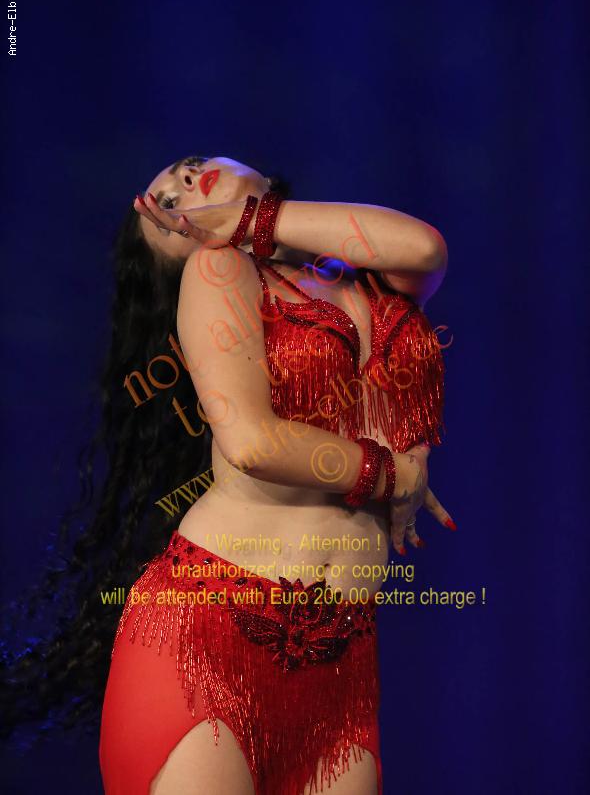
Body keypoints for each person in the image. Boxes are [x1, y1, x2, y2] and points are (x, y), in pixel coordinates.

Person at [97, 154, 454, 795]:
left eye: (189, 168)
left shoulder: (365, 272)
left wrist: (250, 218)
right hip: (210, 628)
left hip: (343, 657)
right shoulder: (219, 272)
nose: (184, 183)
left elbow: (424, 248)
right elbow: (253, 442)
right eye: (170, 207)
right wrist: (395, 475)